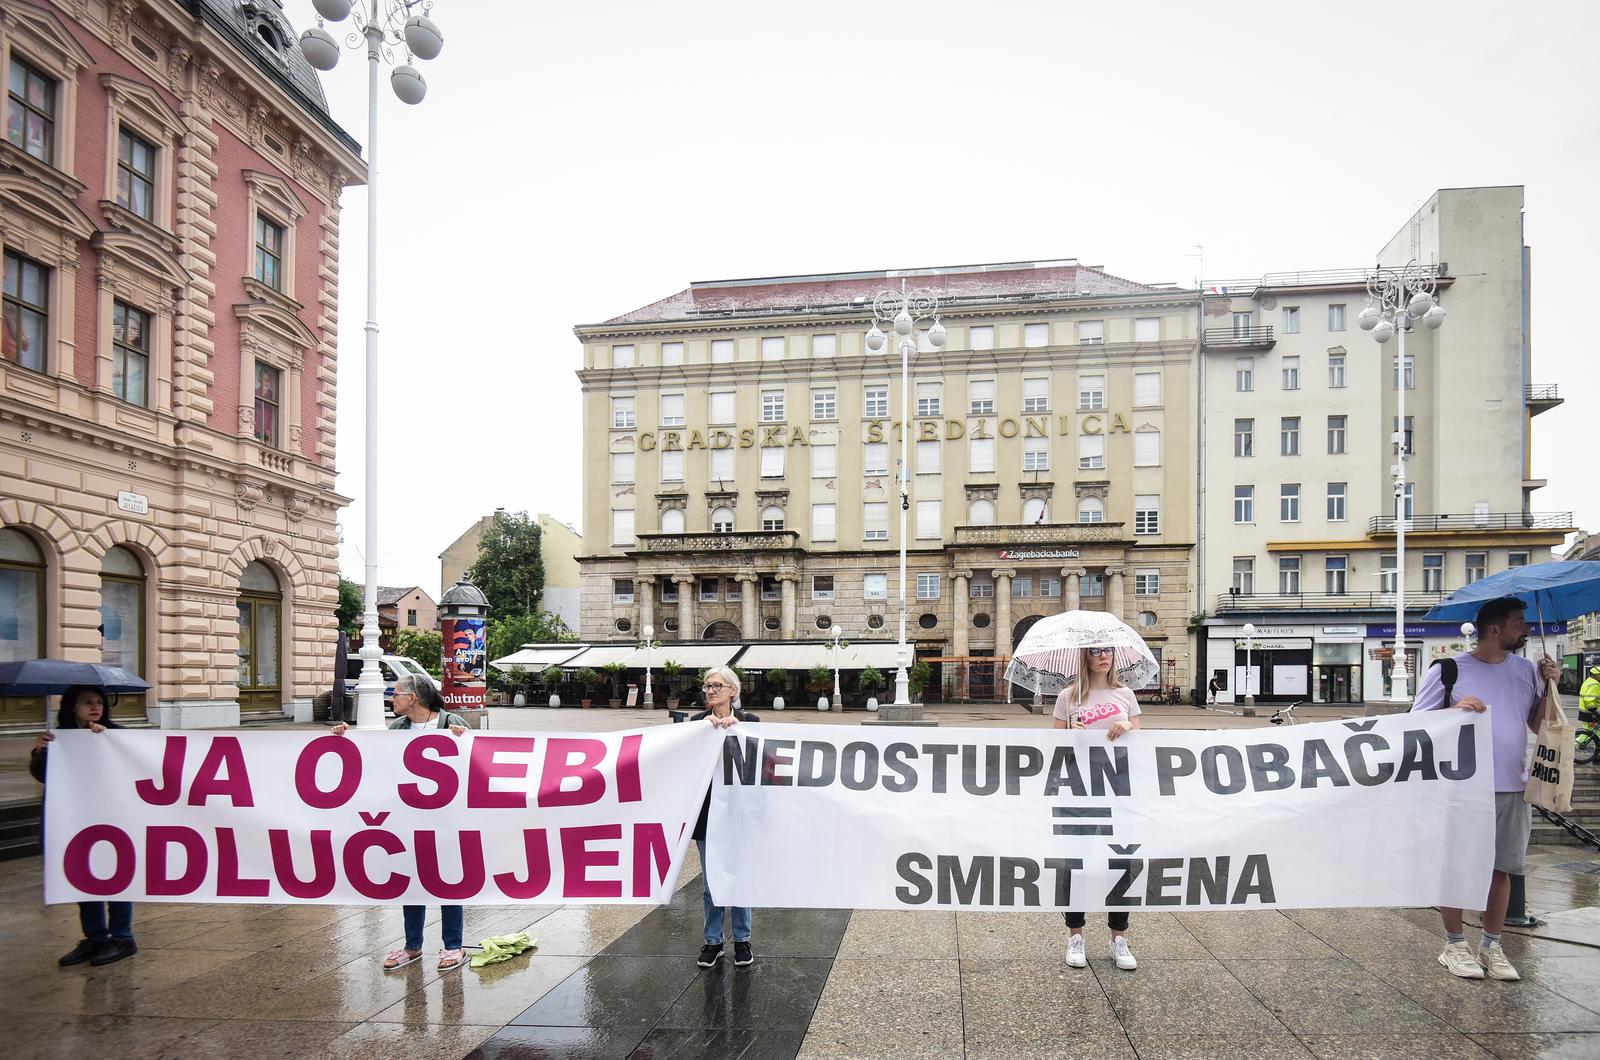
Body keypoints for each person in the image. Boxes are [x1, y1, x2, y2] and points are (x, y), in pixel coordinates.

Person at [1411, 595, 1560, 983]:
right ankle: (1454, 944)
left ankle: (1492, 946)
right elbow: (1414, 726)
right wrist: (1454, 712)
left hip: (1512, 785)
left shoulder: (1527, 670)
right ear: (1495, 629)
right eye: (1518, 623)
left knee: (1503, 868)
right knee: (1457, 866)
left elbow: (1536, 724)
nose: (1525, 629)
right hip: (1461, 788)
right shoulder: (1448, 671)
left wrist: (1550, 689)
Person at [333, 674, 470, 972]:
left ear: (414, 698)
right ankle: (413, 945)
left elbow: (477, 759)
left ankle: (453, 945)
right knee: (412, 881)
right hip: (409, 817)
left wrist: (464, 738)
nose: (392, 698)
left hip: (446, 819)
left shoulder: (450, 722)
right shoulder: (398, 728)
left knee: (448, 882)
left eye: (396, 694)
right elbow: (377, 758)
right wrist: (348, 738)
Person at [29, 686, 137, 967]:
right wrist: (40, 753)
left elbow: (132, 769)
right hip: (75, 819)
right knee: (83, 877)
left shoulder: (114, 734)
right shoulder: (58, 737)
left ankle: (123, 937)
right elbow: (44, 777)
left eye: (99, 702)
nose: (95, 707)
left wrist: (107, 743)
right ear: (71, 707)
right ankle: (95, 938)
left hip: (111, 818)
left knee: (116, 876)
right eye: (87, 702)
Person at [1052, 647, 1140, 972]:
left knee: (1121, 860)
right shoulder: (1068, 697)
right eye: (1096, 651)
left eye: (1108, 651)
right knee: (1074, 862)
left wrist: (1129, 726)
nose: (1104, 656)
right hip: (1078, 788)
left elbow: (1143, 742)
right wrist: (1070, 736)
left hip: (1119, 788)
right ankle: (1075, 935)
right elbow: (1053, 746)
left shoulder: (1125, 694)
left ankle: (1119, 938)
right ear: (1085, 657)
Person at [690, 665, 759, 969]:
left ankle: (742, 939)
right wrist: (700, 734)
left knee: (742, 876)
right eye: (707, 686)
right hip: (707, 815)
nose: (710, 690)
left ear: (733, 690)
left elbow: (760, 764)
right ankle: (713, 941)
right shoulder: (695, 724)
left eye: (717, 685)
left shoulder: (750, 722)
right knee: (710, 882)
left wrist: (738, 731)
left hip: (739, 814)